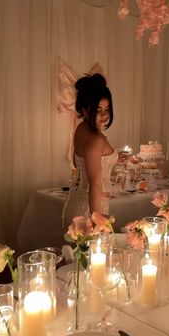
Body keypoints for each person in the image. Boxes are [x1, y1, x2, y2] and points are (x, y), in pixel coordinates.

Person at [62, 73, 118, 230]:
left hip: (79, 202)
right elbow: (95, 184)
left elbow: (76, 161)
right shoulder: (95, 140)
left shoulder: (81, 128)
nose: (104, 115)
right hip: (90, 208)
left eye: (107, 109)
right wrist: (96, 222)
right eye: (98, 109)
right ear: (84, 109)